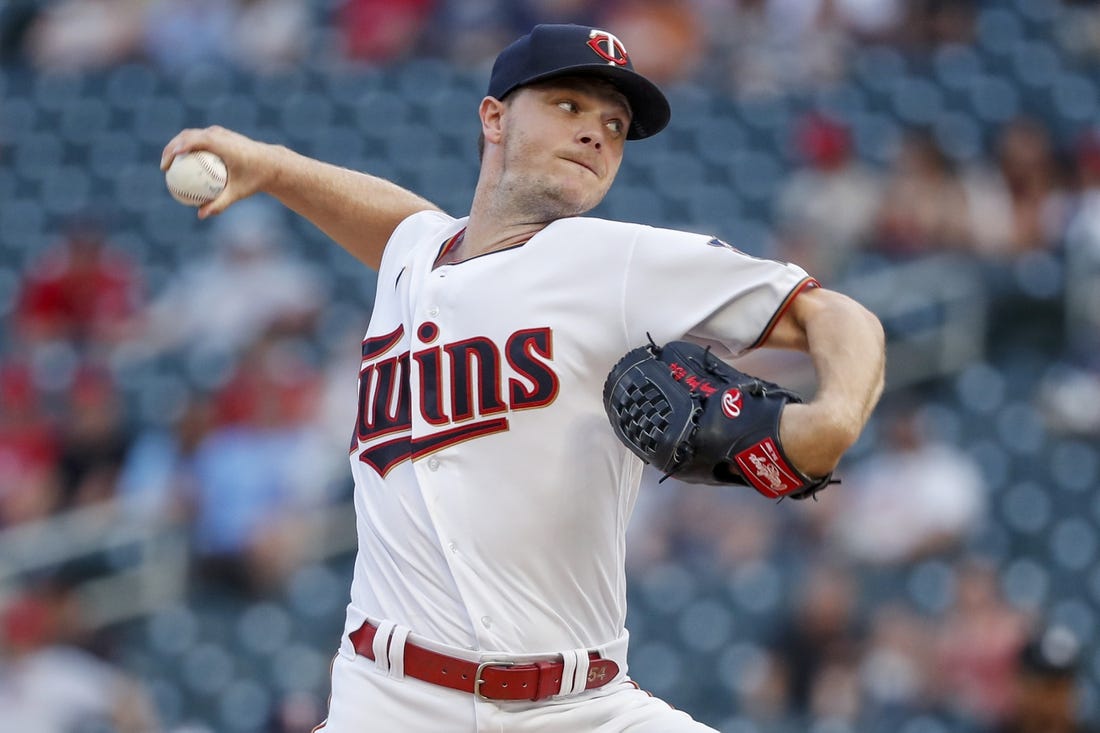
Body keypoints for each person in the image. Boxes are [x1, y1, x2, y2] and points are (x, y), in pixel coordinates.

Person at [161, 23, 885, 732]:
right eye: (569, 106)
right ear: (494, 118)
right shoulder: (417, 253)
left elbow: (841, 318)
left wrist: (834, 421)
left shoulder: (618, 262)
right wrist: (273, 167)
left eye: (614, 122)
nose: (597, 132)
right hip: (387, 699)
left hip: (583, 703)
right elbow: (401, 226)